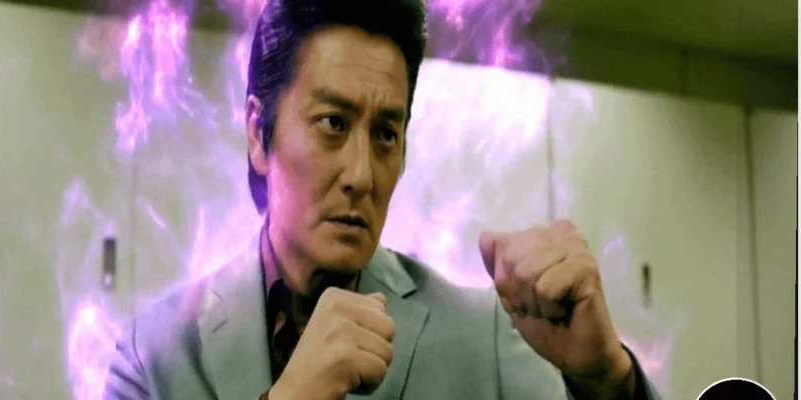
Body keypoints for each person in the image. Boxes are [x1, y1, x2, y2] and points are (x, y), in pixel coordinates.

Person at [103, 0, 664, 399]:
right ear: (257, 132)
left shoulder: (483, 338)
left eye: (385, 134)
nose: (361, 175)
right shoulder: (154, 358)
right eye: (332, 123)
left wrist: (607, 381)